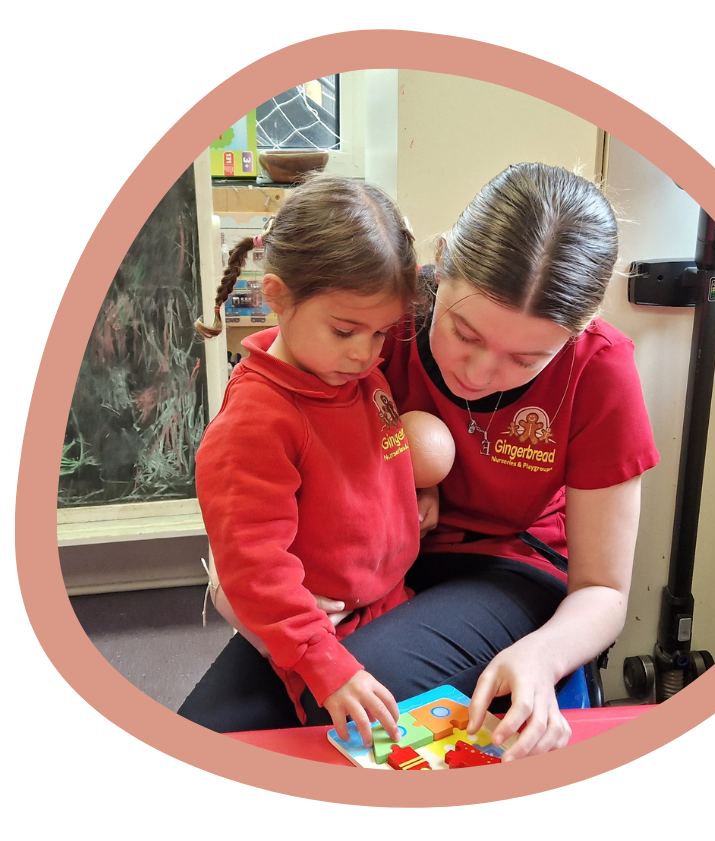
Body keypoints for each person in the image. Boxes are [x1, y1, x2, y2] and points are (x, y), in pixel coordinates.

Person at [179, 162, 660, 763]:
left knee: (368, 701)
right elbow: (264, 451)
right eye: (464, 332)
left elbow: (604, 590)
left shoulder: (599, 369)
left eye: (526, 359)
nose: (480, 373)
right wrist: (238, 576)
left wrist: (543, 655)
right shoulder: (380, 318)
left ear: (576, 333)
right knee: (213, 734)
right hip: (367, 568)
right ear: (436, 271)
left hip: (505, 570)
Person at [187, 173, 424, 747]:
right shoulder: (257, 420)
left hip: (391, 601)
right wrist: (323, 662)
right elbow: (253, 562)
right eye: (346, 331)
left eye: (382, 332)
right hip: (315, 631)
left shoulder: (352, 372)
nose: (367, 352)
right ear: (277, 297)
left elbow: (377, 460)